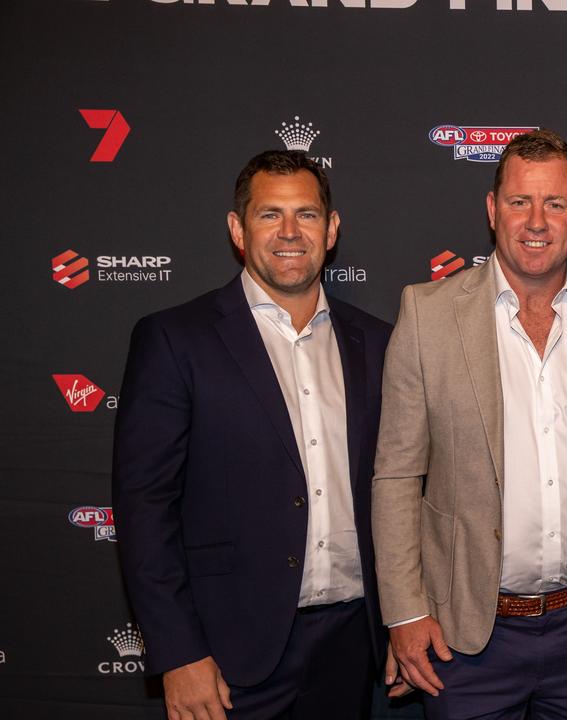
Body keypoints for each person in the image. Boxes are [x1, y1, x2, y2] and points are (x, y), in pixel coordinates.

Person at [371, 129, 567, 720]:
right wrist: (405, 613)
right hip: (465, 639)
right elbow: (397, 476)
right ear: (491, 209)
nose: (536, 220)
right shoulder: (426, 315)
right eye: (519, 202)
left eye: (555, 203)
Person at [113, 150, 403, 720]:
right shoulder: (175, 339)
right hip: (226, 653)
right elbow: (145, 507)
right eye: (270, 215)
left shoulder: (378, 342)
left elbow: (402, 491)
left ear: (333, 228)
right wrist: (178, 653)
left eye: (308, 215)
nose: (290, 232)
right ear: (237, 229)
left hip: (352, 642)